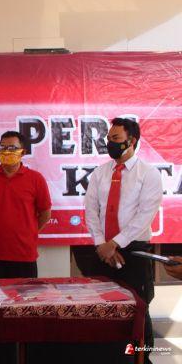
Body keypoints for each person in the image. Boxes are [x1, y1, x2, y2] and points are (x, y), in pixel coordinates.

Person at [83, 118, 162, 363]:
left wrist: (115, 243)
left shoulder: (148, 173)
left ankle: (140, 359)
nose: (110, 143)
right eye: (109, 139)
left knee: (138, 311)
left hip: (133, 252)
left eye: (115, 139)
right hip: (102, 251)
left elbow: (145, 215)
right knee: (103, 310)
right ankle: (110, 358)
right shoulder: (100, 173)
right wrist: (102, 244)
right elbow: (91, 210)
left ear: (131, 141)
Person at [0, 131, 51, 279]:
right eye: (2, 147)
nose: (6, 152)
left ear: (23, 152)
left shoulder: (36, 179)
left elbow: (45, 214)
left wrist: (29, 232)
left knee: (25, 294)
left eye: (12, 148)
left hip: (24, 255)